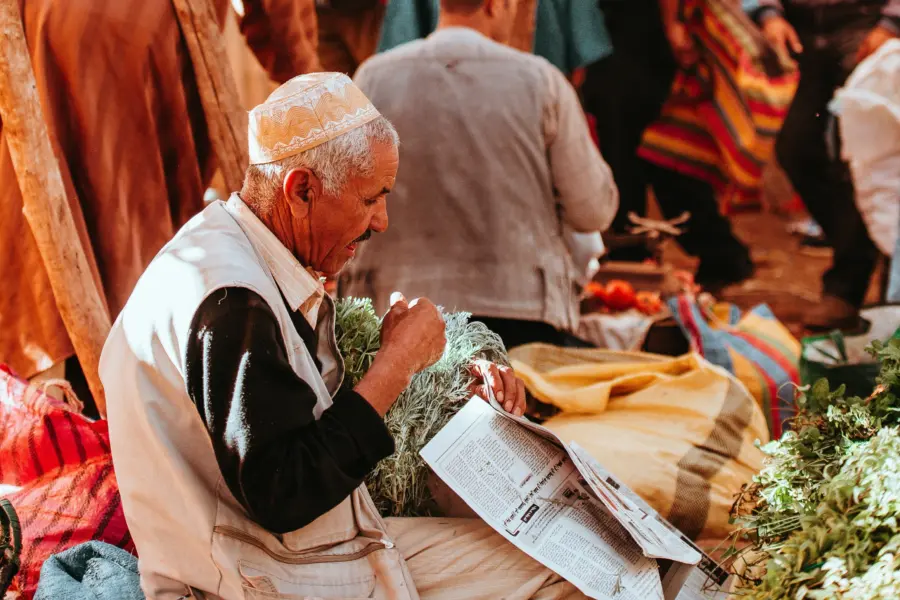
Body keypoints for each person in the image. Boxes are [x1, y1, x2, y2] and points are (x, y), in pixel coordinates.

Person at [100, 72, 584, 600]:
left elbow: (292, 411)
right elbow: (286, 491)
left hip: (288, 551)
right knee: (562, 573)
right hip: (252, 575)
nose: (382, 221)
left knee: (546, 544)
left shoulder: (233, 250)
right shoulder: (230, 301)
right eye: (371, 199)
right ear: (302, 190)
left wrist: (440, 372)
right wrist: (395, 364)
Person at [0, 0, 320, 393]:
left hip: (41, 28)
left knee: (56, 206)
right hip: (131, 44)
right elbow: (278, 16)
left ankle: (75, 401)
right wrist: (316, 91)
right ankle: (122, 396)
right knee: (130, 230)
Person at [341, 0, 619, 350]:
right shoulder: (541, 81)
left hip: (394, 310)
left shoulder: (372, 77)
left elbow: (346, 198)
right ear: (496, 4)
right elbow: (593, 209)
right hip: (521, 314)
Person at [580, 0, 755, 289]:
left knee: (644, 151)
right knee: (635, 150)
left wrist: (673, 22)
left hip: (641, 32)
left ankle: (640, 254)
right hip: (621, 32)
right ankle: (637, 253)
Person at [748, 1, 898, 330]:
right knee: (796, 149)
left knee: (864, 158)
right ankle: (858, 258)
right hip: (800, 30)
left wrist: (891, 22)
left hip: (868, 26)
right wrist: (767, 13)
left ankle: (853, 290)